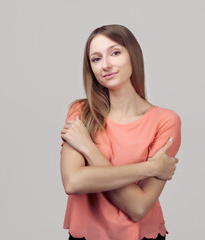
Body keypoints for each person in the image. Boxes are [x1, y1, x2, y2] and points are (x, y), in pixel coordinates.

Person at [60, 24, 181, 240]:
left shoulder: (165, 121)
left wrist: (88, 148)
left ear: (133, 55)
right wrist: (151, 167)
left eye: (115, 53)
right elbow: (74, 182)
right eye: (96, 59)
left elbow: (139, 207)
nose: (105, 65)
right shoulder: (80, 112)